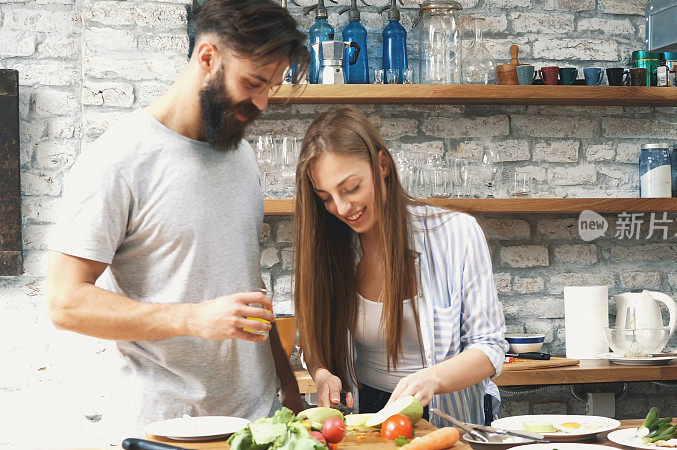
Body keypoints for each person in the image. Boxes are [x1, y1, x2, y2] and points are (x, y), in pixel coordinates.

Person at [45, 0, 308, 433]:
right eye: (254, 82)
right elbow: (64, 302)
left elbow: (247, 287)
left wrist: (288, 389)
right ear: (208, 58)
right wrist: (192, 318)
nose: (262, 102)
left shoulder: (240, 155)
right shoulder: (118, 159)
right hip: (163, 430)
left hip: (255, 423)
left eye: (272, 87)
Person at [292, 106, 508, 427]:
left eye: (351, 188)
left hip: (448, 416)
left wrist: (431, 380)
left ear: (382, 165)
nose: (341, 208)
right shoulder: (329, 248)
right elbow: (312, 339)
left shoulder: (457, 234)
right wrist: (323, 374)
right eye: (325, 197)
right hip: (367, 414)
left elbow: (489, 348)